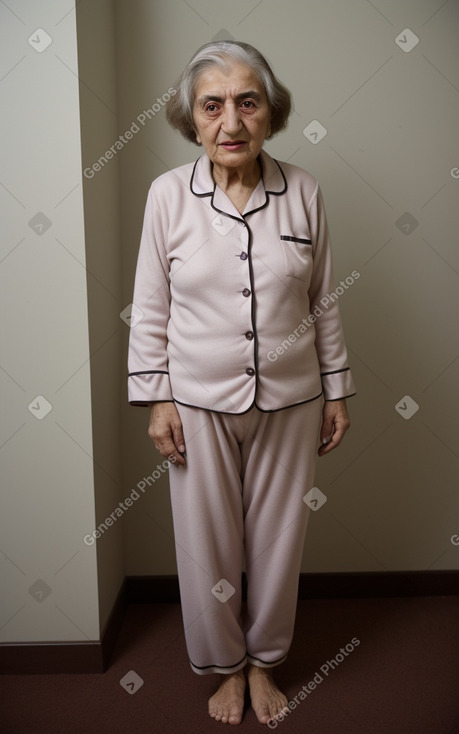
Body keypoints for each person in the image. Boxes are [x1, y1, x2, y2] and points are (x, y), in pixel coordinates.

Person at [128, 40, 356, 726]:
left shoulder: (305, 190)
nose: (231, 121)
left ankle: (263, 663)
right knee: (207, 547)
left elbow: (323, 300)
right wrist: (157, 397)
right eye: (212, 105)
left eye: (246, 103)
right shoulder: (168, 195)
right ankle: (223, 668)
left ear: (270, 115)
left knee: (278, 542)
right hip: (195, 401)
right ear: (191, 121)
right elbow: (149, 306)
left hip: (290, 400)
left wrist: (338, 389)